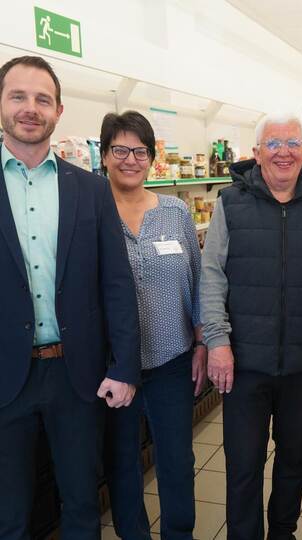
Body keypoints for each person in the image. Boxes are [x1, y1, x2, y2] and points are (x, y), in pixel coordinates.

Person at [0, 56, 140, 539]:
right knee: (9, 514)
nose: (30, 108)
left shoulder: (92, 190)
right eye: (18, 96)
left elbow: (117, 283)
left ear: (59, 110)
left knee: (82, 503)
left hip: (76, 375)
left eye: (43, 99)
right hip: (5, 376)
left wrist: (124, 367)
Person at [200, 112, 302, 540]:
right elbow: (211, 275)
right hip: (244, 363)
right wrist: (217, 342)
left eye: (293, 143)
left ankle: (283, 532)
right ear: (256, 152)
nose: (284, 152)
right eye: (273, 143)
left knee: (293, 459)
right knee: (243, 464)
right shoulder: (230, 203)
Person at [100, 110, 207, 540]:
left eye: (140, 151)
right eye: (120, 150)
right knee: (122, 462)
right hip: (112, 366)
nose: (130, 159)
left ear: (151, 158)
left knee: (177, 460)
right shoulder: (90, 212)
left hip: (172, 360)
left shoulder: (176, 212)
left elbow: (198, 280)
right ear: (104, 155)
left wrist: (202, 342)